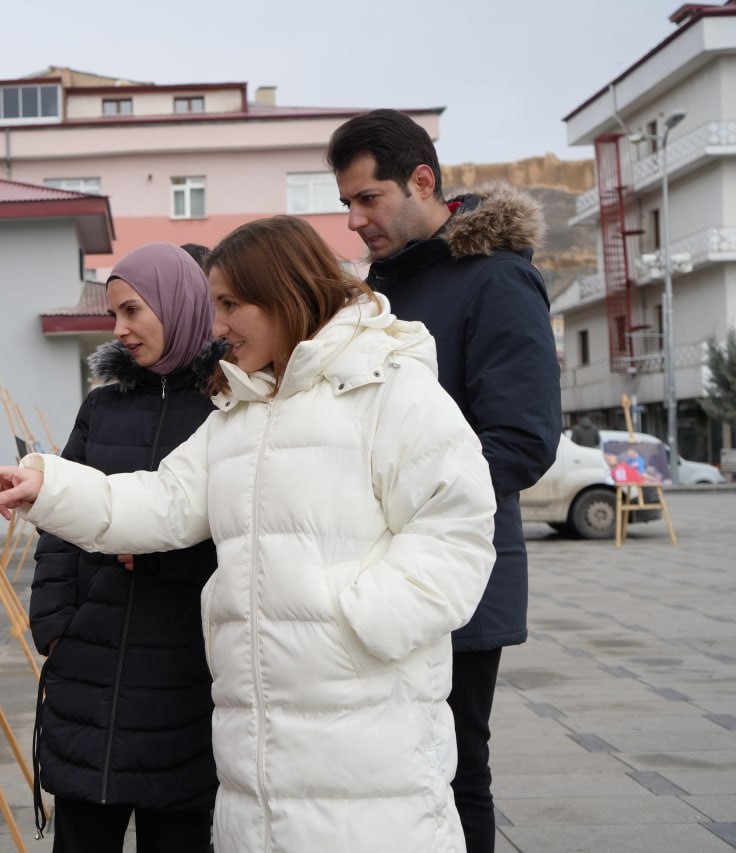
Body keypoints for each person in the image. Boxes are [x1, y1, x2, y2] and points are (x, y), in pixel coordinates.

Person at [0, 216, 498, 852]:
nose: (216, 327)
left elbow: (457, 527)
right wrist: (47, 488)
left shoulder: (390, 387)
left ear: (284, 293)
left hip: (362, 724)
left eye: (229, 305)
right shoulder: (243, 412)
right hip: (257, 737)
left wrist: (353, 625)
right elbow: (164, 500)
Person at [328, 108, 562, 853]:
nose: (357, 220)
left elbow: (522, 439)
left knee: (454, 772)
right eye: (347, 205)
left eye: (368, 199)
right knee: (391, 771)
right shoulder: (384, 290)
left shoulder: (497, 280)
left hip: (456, 574)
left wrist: (405, 502)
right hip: (379, 566)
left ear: (421, 180)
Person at [28, 242, 221, 852]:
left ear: (178, 303)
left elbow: (252, 530)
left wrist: (171, 556)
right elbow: (60, 522)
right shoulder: (102, 406)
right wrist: (56, 625)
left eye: (134, 310)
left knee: (178, 833)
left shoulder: (229, 408)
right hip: (90, 663)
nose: (120, 329)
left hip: (185, 668)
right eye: (115, 314)